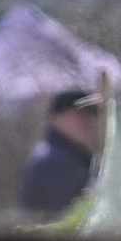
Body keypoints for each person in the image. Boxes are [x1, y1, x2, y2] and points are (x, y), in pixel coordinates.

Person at [18, 86, 105, 216]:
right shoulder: (52, 161)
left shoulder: (74, 156)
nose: (90, 122)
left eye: (93, 115)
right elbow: (68, 218)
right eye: (81, 115)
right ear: (57, 117)